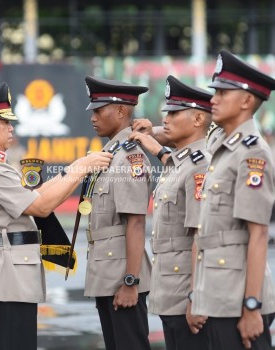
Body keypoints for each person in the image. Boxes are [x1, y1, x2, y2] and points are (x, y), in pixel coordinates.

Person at [0, 82, 112, 350]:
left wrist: (73, 168)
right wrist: (82, 167)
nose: (12, 128)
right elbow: (40, 207)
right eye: (4, 122)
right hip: (4, 284)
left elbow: (32, 198)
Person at [192, 49, 275, 350]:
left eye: (223, 92)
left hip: (239, 299)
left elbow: (258, 233)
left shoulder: (252, 152)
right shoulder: (223, 145)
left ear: (246, 100)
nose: (213, 98)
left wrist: (252, 306)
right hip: (217, 294)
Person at [130, 75, 212, 350]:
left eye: (174, 113)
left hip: (186, 294)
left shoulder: (199, 166)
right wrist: (151, 133)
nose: (165, 118)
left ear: (199, 119)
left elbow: (201, 238)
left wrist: (195, 297)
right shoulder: (180, 161)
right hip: (171, 292)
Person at [83, 76, 152, 350]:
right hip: (107, 271)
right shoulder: (111, 153)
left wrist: (130, 282)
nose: (93, 117)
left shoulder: (129, 158)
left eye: (99, 110)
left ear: (122, 111)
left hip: (122, 275)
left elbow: (135, 222)